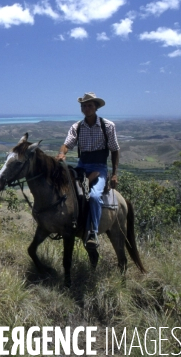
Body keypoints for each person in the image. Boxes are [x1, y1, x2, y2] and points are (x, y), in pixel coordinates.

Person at [56, 92, 120, 248]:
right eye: (84, 106)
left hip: (99, 167)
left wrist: (114, 174)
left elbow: (115, 150)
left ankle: (93, 232)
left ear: (96, 107)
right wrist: (61, 153)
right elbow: (67, 144)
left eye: (90, 105)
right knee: (64, 190)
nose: (86, 108)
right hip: (82, 165)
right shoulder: (77, 127)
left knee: (94, 196)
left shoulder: (108, 126)